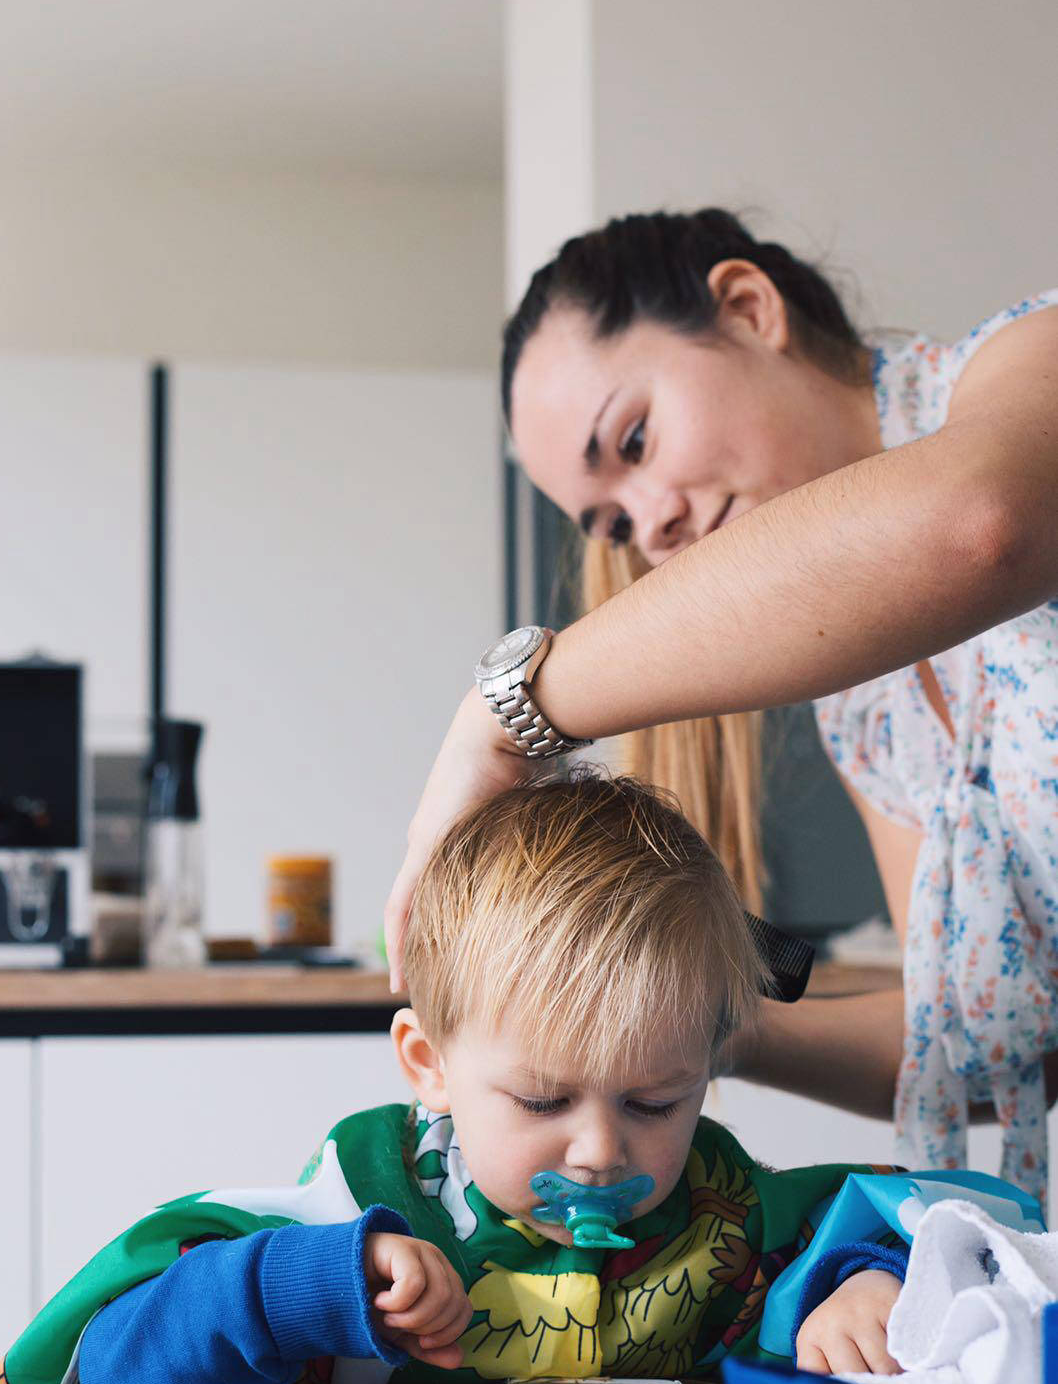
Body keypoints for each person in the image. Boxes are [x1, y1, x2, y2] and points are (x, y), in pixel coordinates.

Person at [385, 209, 1058, 1207]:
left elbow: (979, 525)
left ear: (748, 308)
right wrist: (676, 1024)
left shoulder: (1026, 359)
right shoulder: (868, 711)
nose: (648, 520)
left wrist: (504, 714)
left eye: (635, 438)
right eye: (610, 519)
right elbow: (987, 1039)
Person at [0, 773, 946, 1384]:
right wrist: (311, 1291)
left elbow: (912, 1224)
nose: (598, 1154)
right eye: (541, 1101)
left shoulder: (721, 1218)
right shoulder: (352, 1214)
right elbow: (114, 1363)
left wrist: (861, 1282)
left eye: (655, 1103)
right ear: (429, 1064)